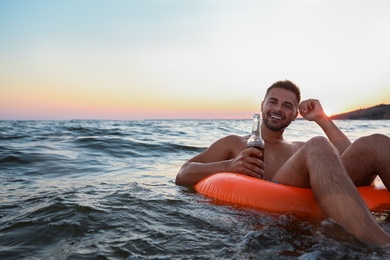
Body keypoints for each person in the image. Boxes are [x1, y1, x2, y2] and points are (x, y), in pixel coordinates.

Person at [175, 80, 390, 247]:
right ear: (262, 105)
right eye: (273, 102)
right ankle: (383, 246)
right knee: (317, 144)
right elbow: (183, 173)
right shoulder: (235, 143)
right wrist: (228, 166)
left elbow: (350, 156)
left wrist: (322, 118)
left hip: (313, 189)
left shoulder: (299, 148)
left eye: (287, 105)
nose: (278, 109)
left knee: (375, 143)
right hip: (274, 216)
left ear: (295, 115)